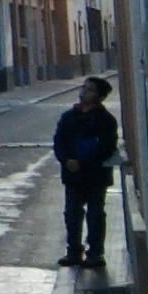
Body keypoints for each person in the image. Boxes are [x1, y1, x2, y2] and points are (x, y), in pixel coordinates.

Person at [54, 76, 119, 269]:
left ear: (99, 96)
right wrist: (66, 160)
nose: (84, 91)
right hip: (72, 175)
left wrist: (82, 162)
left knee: (95, 214)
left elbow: (106, 147)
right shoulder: (69, 117)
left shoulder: (106, 120)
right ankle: (73, 251)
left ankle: (95, 254)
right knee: (72, 214)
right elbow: (59, 142)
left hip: (95, 175)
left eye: (89, 89)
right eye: (84, 87)